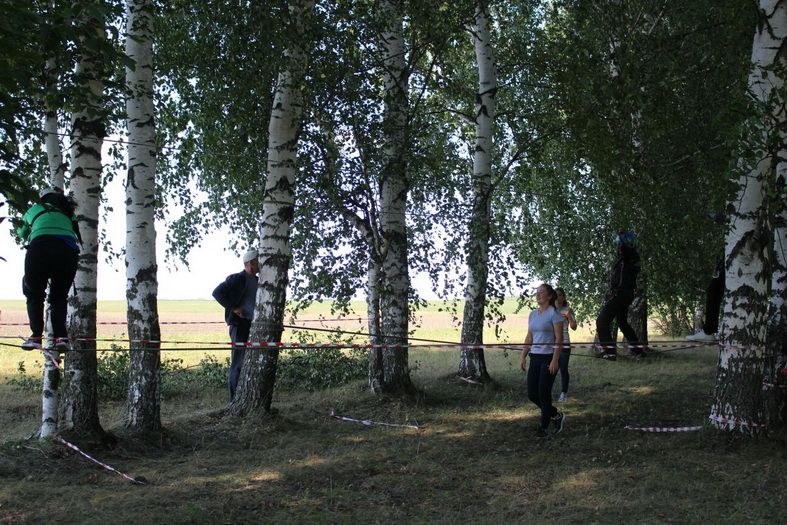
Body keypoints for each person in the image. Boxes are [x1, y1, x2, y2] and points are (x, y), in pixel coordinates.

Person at [17, 187, 81, 352]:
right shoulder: (68, 212)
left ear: (42, 199)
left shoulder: (35, 209)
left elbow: (22, 231)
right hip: (68, 252)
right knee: (59, 297)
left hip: (40, 248)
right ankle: (61, 338)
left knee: (34, 293)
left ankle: (36, 336)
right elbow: (76, 231)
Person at [520, 283, 566, 437]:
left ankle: (543, 428)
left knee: (543, 393)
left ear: (550, 296)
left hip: (548, 357)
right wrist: (523, 355)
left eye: (541, 292)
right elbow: (529, 336)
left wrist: (555, 360)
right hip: (535, 357)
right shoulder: (533, 314)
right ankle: (555, 414)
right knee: (532, 394)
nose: (538, 295)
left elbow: (559, 339)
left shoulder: (555, 314)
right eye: (537, 292)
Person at [213, 249, 259, 401]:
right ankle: (233, 401)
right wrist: (233, 307)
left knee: (249, 362)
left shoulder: (259, 281)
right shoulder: (238, 278)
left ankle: (245, 397)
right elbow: (217, 292)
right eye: (259, 261)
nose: (261, 265)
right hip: (239, 325)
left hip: (253, 326)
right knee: (238, 363)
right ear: (251, 262)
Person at [596, 229, 642, 360]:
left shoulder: (628, 255)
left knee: (602, 321)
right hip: (625, 294)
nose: (617, 245)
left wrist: (623, 239)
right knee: (622, 322)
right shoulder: (628, 256)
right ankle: (637, 351)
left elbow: (622, 275)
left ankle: (610, 352)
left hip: (622, 294)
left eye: (619, 242)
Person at [687, 213, 725, 343]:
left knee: (714, 290)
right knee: (714, 290)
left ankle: (709, 331)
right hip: (733, 257)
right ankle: (709, 331)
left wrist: (716, 217)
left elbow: (735, 220)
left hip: (736, 258)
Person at [554, 287, 577, 401]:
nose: (558, 297)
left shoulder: (568, 309)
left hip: (565, 343)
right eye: (556, 295)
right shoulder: (549, 310)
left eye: (560, 295)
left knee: (563, 368)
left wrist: (569, 317)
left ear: (564, 297)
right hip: (551, 344)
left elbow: (574, 327)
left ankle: (564, 393)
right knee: (550, 368)